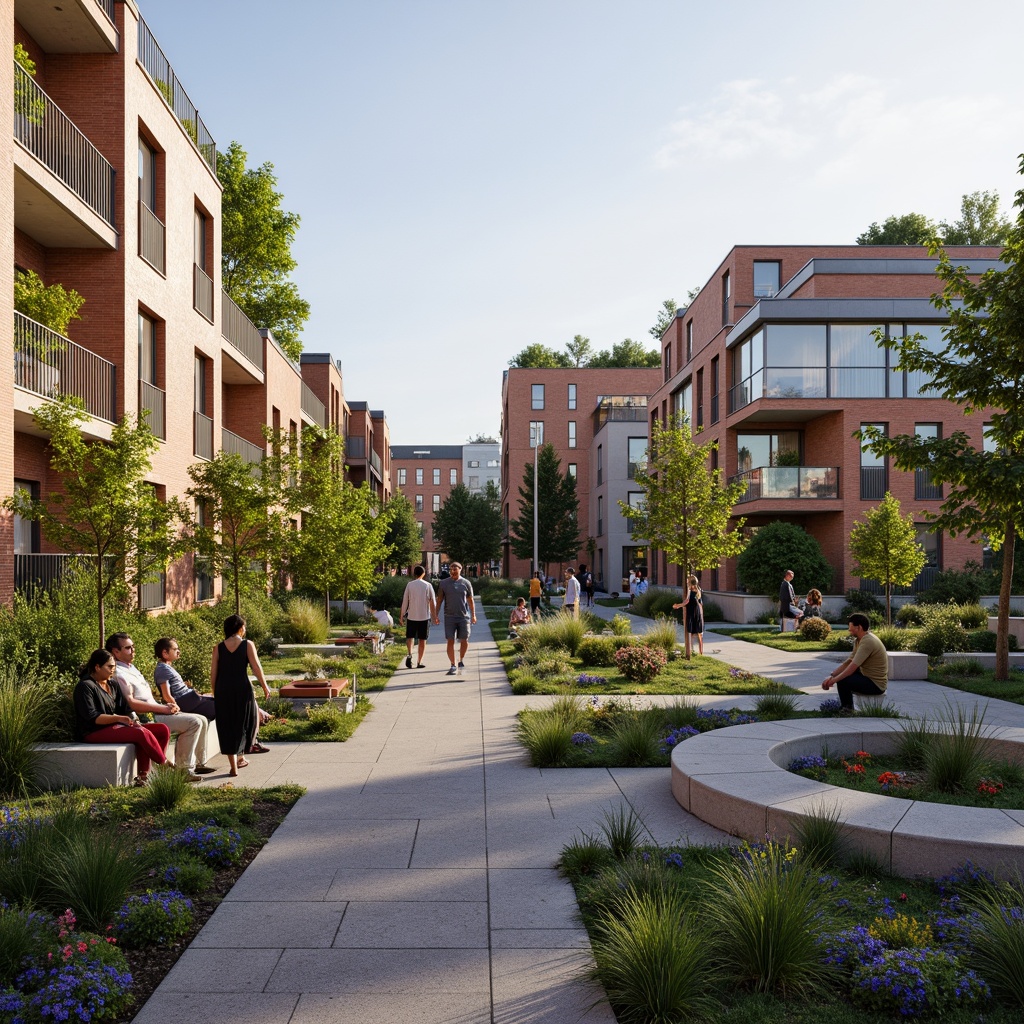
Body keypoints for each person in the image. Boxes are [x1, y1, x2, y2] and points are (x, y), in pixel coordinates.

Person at [106, 633, 210, 780]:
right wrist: (164, 708)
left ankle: (198, 763)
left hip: (157, 710)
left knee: (202, 719)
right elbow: (133, 704)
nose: (133, 650)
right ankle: (184, 771)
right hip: (147, 716)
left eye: (133, 647)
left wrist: (166, 706)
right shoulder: (118, 673)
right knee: (194, 722)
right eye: (128, 648)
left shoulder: (131, 667)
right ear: (116, 652)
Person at [74, 649, 170, 786]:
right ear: (97, 667)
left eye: (114, 666)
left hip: (115, 727)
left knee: (161, 729)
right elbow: (93, 718)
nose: (113, 670)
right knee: (139, 733)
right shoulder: (85, 687)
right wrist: (118, 719)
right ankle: (164, 765)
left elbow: (126, 709)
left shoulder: (112, 684)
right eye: (109, 666)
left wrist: (134, 721)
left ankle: (144, 776)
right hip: (93, 731)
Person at [211, 614, 271, 776]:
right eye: (244, 626)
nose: (245, 629)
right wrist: (265, 687)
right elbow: (256, 667)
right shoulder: (247, 644)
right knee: (245, 721)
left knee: (227, 724)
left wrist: (216, 693)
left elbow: (213, 673)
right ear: (239, 628)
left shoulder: (218, 647)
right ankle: (241, 756)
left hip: (223, 689)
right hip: (242, 688)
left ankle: (234, 765)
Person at [821, 613, 888, 714]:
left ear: (859, 627)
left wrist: (834, 680)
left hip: (876, 684)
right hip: (867, 677)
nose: (849, 629)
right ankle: (846, 707)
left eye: (851, 626)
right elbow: (848, 663)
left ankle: (847, 710)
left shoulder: (868, 641)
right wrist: (831, 676)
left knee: (843, 680)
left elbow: (852, 667)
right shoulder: (859, 640)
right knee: (842, 676)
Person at [154, 637, 215, 721]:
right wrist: (177, 709)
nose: (178, 652)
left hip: (191, 699)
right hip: (187, 702)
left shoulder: (166, 667)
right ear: (165, 653)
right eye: (175, 649)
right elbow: (166, 696)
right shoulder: (162, 669)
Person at [433, 561, 476, 676]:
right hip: (449, 616)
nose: (452, 572)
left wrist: (474, 615)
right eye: (451, 570)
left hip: (464, 616)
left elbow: (471, 601)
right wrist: (435, 615)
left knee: (464, 640)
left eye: (455, 569)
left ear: (460, 570)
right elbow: (439, 600)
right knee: (450, 640)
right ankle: (453, 664)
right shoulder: (443, 583)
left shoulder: (466, 583)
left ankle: (460, 659)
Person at [400, 565, 436, 668]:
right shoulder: (428, 585)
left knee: (410, 637)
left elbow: (405, 601)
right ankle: (419, 662)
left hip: (411, 616)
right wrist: (434, 616)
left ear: (414, 574)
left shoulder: (409, 585)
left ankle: (410, 654)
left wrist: (402, 615)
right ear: (423, 574)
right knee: (422, 639)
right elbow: (432, 602)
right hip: (424, 616)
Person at [673, 575, 705, 656]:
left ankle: (690, 651)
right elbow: (701, 603)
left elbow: (687, 601)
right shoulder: (698, 590)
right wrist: (701, 614)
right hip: (698, 611)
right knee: (699, 633)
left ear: (690, 582)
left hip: (692, 611)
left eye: (687, 581)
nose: (687, 583)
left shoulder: (690, 590)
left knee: (691, 633)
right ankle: (701, 652)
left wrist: (678, 605)